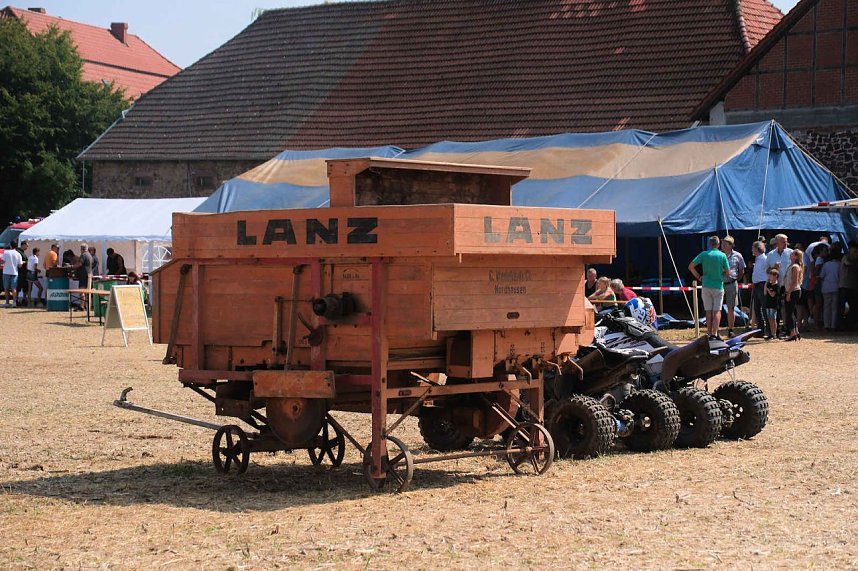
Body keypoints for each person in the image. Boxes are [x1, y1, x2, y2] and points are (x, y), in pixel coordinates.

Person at [689, 235, 730, 339]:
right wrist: (721, 275)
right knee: (717, 311)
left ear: (709, 244)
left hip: (706, 285)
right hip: (718, 285)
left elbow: (691, 267)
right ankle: (714, 333)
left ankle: (708, 332)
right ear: (718, 244)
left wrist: (699, 277)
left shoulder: (704, 254)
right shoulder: (722, 255)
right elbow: (728, 272)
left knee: (708, 311)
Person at [766, 234, 793, 336]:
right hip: (775, 285)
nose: (785, 243)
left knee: (785, 308)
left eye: (786, 241)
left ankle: (786, 328)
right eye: (783, 242)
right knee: (774, 308)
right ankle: (774, 331)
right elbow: (767, 270)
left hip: (786, 285)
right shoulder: (770, 254)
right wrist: (774, 267)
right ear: (777, 243)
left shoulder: (791, 253)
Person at [720, 236, 745, 337]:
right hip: (720, 284)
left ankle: (730, 330)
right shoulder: (719, 255)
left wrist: (734, 280)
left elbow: (742, 270)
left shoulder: (738, 256)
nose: (722, 245)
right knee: (717, 308)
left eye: (725, 244)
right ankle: (715, 331)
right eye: (722, 243)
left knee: (731, 308)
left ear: (730, 245)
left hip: (732, 284)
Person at [783, 249, 804, 341]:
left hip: (793, 291)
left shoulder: (795, 267)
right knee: (791, 312)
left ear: (795, 256)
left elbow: (794, 281)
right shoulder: (790, 266)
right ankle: (795, 332)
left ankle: (792, 333)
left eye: (792, 254)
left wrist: (789, 293)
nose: (790, 255)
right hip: (790, 290)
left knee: (789, 313)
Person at [819, 247, 841, 331]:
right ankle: (833, 325)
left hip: (826, 287)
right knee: (834, 307)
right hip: (836, 287)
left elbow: (821, 276)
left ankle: (826, 325)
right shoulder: (839, 264)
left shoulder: (826, 264)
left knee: (826, 307)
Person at [750, 240, 769, 337]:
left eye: (753, 248)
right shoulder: (757, 259)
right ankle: (761, 329)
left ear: (757, 249)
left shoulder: (764, 259)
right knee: (757, 308)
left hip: (762, 285)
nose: (752, 250)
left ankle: (768, 329)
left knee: (764, 308)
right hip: (757, 285)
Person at [840, 242, 858, 330]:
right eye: (854, 251)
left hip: (853, 286)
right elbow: (847, 263)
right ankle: (840, 325)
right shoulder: (846, 257)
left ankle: (850, 325)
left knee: (853, 307)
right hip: (844, 285)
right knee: (842, 307)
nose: (855, 253)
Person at [2, 240, 23, 307]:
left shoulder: (6, 253)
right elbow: (20, 265)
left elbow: (2, 261)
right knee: (14, 288)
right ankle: (14, 302)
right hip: (14, 272)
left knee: (6, 288)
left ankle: (7, 302)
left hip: (6, 272)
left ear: (10, 245)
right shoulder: (18, 254)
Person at [75, 244, 93, 311]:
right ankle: (86, 305)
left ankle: (81, 306)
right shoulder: (89, 255)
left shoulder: (83, 255)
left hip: (83, 274)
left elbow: (80, 264)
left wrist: (73, 266)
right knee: (87, 291)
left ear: (82, 249)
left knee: (82, 290)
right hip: (89, 274)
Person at [763, 268, 780, 340]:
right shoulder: (769, 284)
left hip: (773, 305)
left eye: (771, 276)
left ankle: (774, 333)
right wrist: (766, 283)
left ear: (775, 276)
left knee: (773, 319)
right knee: (769, 319)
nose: (770, 277)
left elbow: (773, 295)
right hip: (768, 304)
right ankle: (771, 333)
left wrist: (768, 290)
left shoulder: (776, 286)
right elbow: (764, 293)